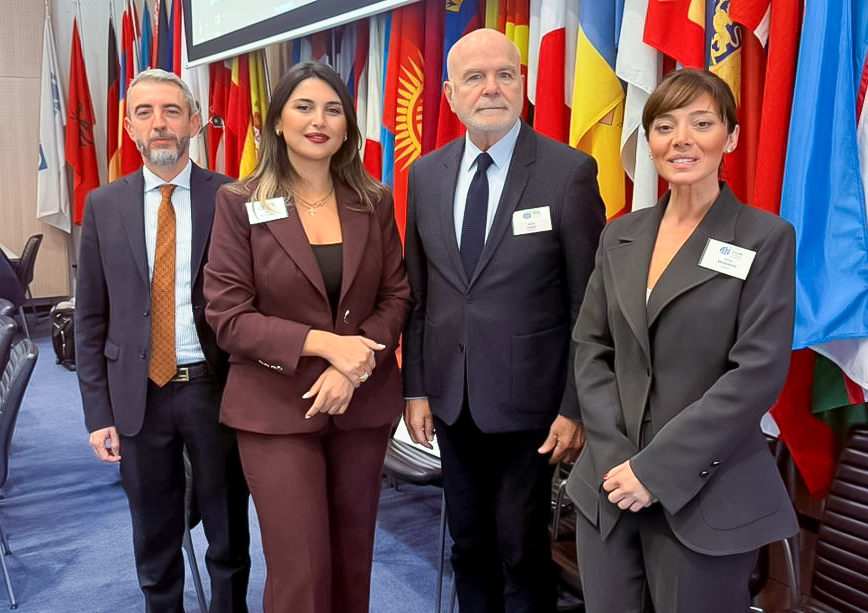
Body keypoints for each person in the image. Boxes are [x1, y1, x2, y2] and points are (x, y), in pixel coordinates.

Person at [565, 68, 799, 613]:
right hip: (609, 486)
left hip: (707, 496)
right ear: (649, 141)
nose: (681, 140)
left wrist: (654, 470)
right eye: (665, 126)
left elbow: (757, 373)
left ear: (731, 137)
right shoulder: (619, 234)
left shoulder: (765, 238)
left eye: (702, 123)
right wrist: (620, 461)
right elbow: (592, 348)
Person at [402, 28, 606, 612]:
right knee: (467, 544)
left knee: (521, 550)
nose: (491, 88)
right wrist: (415, 388)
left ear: (523, 83)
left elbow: (589, 305)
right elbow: (419, 294)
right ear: (449, 94)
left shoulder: (569, 173)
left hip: (533, 405)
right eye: (475, 77)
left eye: (505, 75)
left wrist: (575, 406)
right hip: (451, 399)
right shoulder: (425, 175)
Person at [203, 62, 411, 613]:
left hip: (361, 406)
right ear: (277, 121)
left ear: (346, 128)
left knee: (351, 565)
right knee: (302, 572)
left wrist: (351, 368)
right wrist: (325, 345)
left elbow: (396, 297)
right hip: (274, 408)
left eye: (332, 110)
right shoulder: (238, 202)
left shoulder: (374, 200)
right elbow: (228, 316)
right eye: (304, 107)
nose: (318, 121)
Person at [76, 69, 251, 613]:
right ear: (129, 126)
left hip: (214, 389)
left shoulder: (233, 196)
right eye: (145, 113)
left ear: (194, 122)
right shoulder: (103, 205)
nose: (159, 124)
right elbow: (90, 318)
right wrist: (98, 414)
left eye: (172, 111)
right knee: (154, 534)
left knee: (228, 530)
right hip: (138, 394)